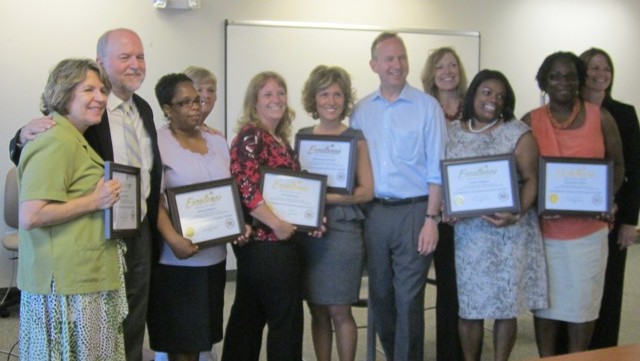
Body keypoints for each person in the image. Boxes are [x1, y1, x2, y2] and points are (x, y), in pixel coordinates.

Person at [8, 28, 162, 361]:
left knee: (130, 321)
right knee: (79, 344)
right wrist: (21, 136)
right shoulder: (66, 127)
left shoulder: (144, 109)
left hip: (134, 230)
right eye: (125, 57)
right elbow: (40, 179)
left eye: (140, 56)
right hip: (76, 255)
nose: (135, 64)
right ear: (102, 62)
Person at [17, 58, 126, 360]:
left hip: (80, 276)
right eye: (88, 90)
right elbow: (31, 215)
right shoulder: (55, 141)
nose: (101, 97)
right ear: (64, 93)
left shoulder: (73, 137)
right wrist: (93, 201)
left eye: (103, 90)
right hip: (65, 283)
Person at [350, 32, 446, 361]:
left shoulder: (427, 107)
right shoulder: (361, 111)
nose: (397, 65)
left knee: (408, 298)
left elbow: (437, 170)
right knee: (380, 297)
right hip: (375, 214)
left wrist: (432, 220)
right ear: (374, 64)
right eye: (389, 58)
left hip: (415, 212)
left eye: (402, 57)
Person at [522, 51, 624, 357]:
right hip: (543, 233)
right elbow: (519, 173)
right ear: (544, 82)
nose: (563, 82)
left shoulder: (600, 117)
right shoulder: (530, 121)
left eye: (570, 76)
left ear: (579, 80)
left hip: (588, 235)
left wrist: (607, 197)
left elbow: (617, 165)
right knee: (546, 306)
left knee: (582, 307)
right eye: (555, 76)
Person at [446, 69, 548, 361]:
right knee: (470, 306)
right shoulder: (452, 132)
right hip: (469, 234)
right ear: (474, 94)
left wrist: (516, 213)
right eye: (487, 92)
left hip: (508, 232)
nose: (493, 100)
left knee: (505, 305)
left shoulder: (517, 132)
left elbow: (532, 179)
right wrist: (447, 208)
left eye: (501, 96)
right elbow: (445, 178)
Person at [146, 73, 249, 361]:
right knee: (182, 343)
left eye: (197, 100)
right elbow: (152, 199)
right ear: (167, 109)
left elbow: (229, 192)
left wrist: (238, 224)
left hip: (214, 258)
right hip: (176, 260)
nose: (195, 107)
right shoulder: (157, 143)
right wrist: (173, 239)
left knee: (203, 338)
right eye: (184, 103)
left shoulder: (216, 141)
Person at [221, 71, 306, 361]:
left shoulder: (278, 138)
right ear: (254, 101)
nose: (276, 99)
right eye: (268, 94)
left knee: (248, 315)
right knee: (286, 320)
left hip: (271, 244)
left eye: (281, 92)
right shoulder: (251, 134)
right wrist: (277, 224)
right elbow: (244, 184)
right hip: (268, 243)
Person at [297, 65, 374, 361]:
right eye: (324, 94)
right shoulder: (303, 137)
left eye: (337, 94)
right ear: (313, 99)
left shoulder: (356, 136)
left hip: (343, 232)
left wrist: (324, 198)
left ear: (345, 99)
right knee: (316, 309)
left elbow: (367, 191)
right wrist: (311, 208)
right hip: (310, 235)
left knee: (340, 309)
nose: (331, 101)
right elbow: (296, 188)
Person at [579, 48, 640, 350]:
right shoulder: (568, 111)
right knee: (578, 291)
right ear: (582, 72)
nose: (601, 73)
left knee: (610, 288)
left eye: (607, 68)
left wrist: (630, 221)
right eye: (594, 67)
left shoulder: (625, 114)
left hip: (614, 221)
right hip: (573, 221)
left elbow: (635, 170)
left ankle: (605, 353)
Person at [420, 46, 469, 361]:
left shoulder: (474, 107)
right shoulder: (424, 108)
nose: (447, 71)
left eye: (453, 64)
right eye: (440, 66)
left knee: (466, 288)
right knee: (447, 289)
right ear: (431, 74)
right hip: (433, 212)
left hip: (470, 213)